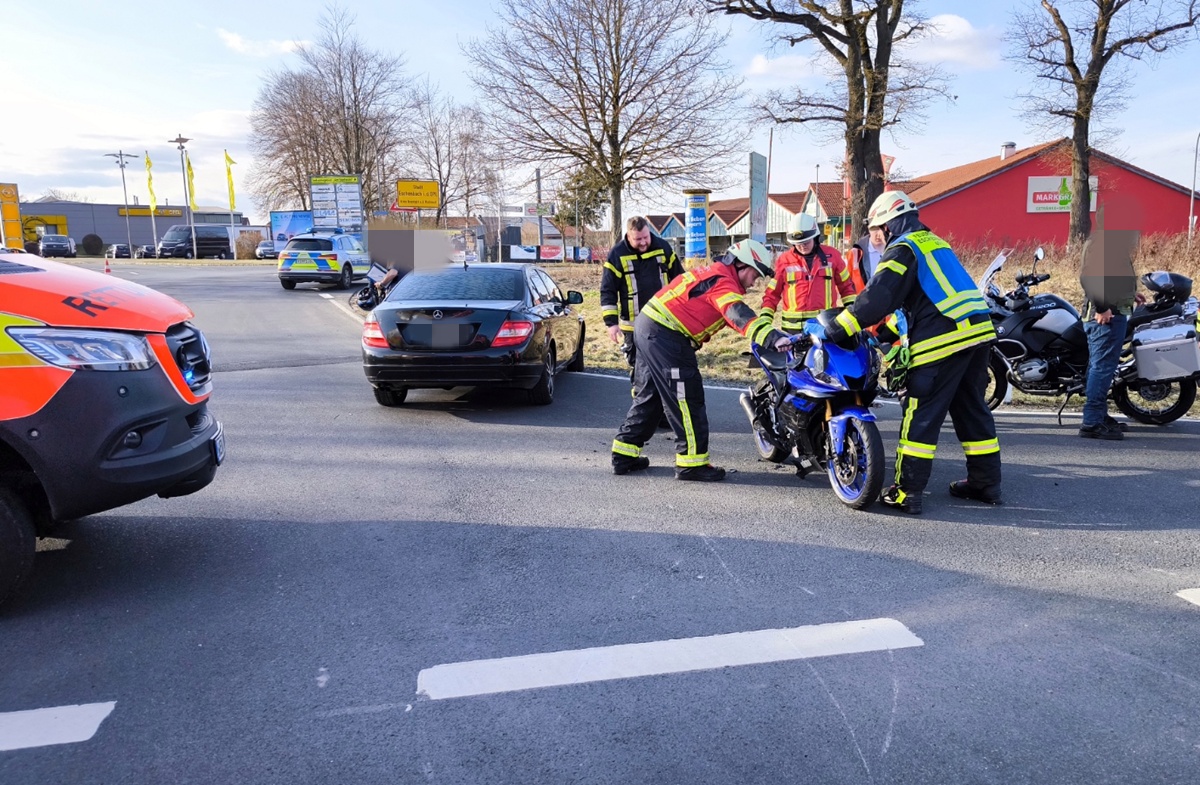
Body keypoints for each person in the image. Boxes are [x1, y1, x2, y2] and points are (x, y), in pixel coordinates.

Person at [824, 191, 1001, 514]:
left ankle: (907, 492)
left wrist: (840, 328)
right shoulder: (936, 244)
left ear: (891, 224)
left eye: (878, 229)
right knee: (972, 410)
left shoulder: (904, 248)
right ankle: (985, 482)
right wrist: (885, 334)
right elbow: (923, 304)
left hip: (942, 342)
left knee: (920, 416)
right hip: (977, 334)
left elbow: (879, 297)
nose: (878, 237)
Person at [611, 240, 790, 482]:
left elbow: (732, 316)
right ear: (739, 264)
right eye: (754, 274)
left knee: (650, 396)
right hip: (666, 335)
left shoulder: (715, 274)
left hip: (650, 326)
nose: (754, 282)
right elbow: (736, 313)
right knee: (687, 398)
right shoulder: (723, 282)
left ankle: (624, 454)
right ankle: (691, 463)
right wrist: (772, 337)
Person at [1078, 211, 1144, 440]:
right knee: (1102, 368)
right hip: (1106, 316)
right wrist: (1103, 307)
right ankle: (1092, 422)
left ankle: (1098, 415)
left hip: (1113, 312)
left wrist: (1131, 294)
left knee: (1102, 368)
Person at [600, 216, 686, 364]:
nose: (643, 242)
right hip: (633, 326)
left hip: (663, 322)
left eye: (646, 237)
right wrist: (611, 324)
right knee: (638, 368)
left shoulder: (663, 247)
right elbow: (608, 290)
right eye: (638, 239)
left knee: (664, 366)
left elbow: (680, 280)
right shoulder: (617, 254)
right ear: (628, 236)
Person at [761, 214, 857, 333]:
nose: (802, 246)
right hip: (793, 330)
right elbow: (772, 294)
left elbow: (847, 289)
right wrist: (764, 324)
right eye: (798, 243)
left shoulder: (833, 256)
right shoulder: (784, 261)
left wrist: (853, 317)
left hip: (825, 327)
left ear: (815, 237)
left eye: (806, 242)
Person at [845, 225, 887, 292]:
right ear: (868, 228)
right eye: (875, 229)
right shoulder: (855, 253)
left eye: (882, 229)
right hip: (862, 300)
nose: (879, 234)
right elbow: (845, 283)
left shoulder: (896, 251)